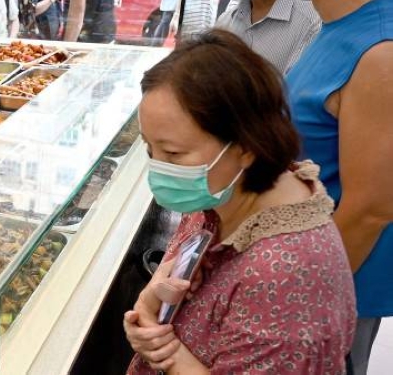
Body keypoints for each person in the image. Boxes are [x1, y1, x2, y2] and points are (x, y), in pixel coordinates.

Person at [123, 30, 356, 374]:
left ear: (245, 146)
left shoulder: (286, 274)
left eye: (173, 153)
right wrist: (148, 308)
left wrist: (165, 352)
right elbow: (165, 284)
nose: (158, 168)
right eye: (149, 148)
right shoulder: (222, 194)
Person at [279, 0, 393, 372]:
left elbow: (370, 207)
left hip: (334, 294)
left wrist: (300, 303)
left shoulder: (380, 53)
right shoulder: (340, 27)